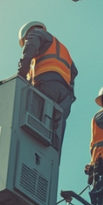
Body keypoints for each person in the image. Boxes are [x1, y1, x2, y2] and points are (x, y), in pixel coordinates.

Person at [17, 21, 77, 150]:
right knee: (55, 132)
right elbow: (74, 72)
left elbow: (29, 51)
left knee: (35, 124)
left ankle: (30, 152)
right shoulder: (62, 48)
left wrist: (21, 75)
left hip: (46, 84)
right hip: (64, 94)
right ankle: (50, 161)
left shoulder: (36, 34)